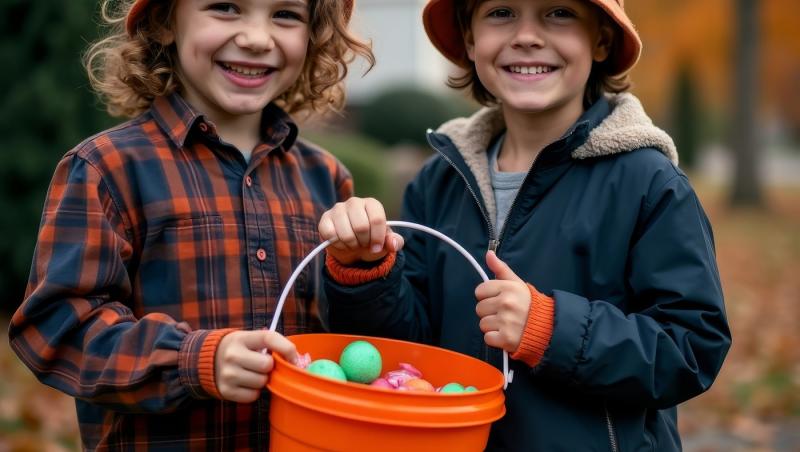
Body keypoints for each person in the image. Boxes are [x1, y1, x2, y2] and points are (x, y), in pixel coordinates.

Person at [317, 0, 731, 450]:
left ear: (601, 40)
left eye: (559, 13)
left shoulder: (647, 183)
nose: (527, 35)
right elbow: (405, 355)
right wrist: (366, 272)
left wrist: (550, 328)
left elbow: (691, 346)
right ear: (471, 39)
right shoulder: (438, 183)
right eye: (501, 13)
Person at [8, 0, 373, 449]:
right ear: (164, 23)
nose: (258, 37)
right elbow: (57, 327)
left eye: (286, 14)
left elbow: (353, 348)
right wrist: (194, 360)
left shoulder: (327, 178)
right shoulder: (108, 168)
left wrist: (359, 272)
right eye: (224, 7)